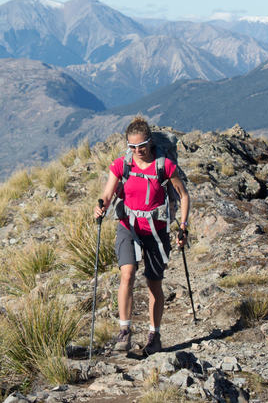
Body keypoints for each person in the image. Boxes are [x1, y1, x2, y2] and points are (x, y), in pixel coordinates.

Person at [94, 116, 190, 355]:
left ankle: (154, 335)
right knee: (127, 274)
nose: (138, 151)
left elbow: (184, 196)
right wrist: (101, 206)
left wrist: (184, 226)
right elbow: (107, 193)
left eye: (142, 146)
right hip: (128, 226)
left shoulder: (165, 166)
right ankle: (124, 332)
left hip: (156, 231)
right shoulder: (122, 165)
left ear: (150, 143)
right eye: (132, 147)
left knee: (153, 284)